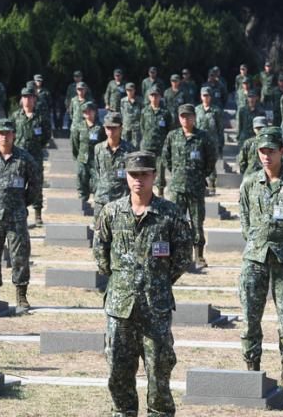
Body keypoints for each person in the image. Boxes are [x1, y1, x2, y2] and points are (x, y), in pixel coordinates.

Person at [93, 151, 192, 417]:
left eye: (144, 174)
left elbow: (183, 257)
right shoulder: (111, 212)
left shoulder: (169, 214)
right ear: (126, 176)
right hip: (120, 306)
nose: (138, 180)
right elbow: (100, 254)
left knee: (159, 371)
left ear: (154, 176)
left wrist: (157, 280)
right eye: (133, 175)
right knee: (118, 371)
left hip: (154, 307)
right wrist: (123, 280)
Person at [238, 126, 283, 390]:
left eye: (271, 150)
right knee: (249, 317)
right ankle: (252, 369)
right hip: (255, 259)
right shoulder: (250, 182)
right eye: (262, 151)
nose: (266, 156)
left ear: (282, 151)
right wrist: (257, 242)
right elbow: (244, 219)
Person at [0, 118, 40, 309]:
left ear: (14, 135)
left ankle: (21, 294)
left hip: (16, 216)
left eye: (8, 133)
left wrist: (23, 203)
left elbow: (35, 183)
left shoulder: (24, 158)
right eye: (1, 133)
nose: (5, 136)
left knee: (20, 256)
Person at [163, 104, 217, 269]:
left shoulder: (203, 137)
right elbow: (166, 157)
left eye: (188, 116)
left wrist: (201, 175)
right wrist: (177, 173)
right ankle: (175, 255)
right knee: (175, 222)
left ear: (194, 117)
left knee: (197, 222)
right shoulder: (173, 136)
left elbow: (211, 159)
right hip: (177, 188)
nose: (185, 119)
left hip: (196, 187)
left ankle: (199, 256)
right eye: (182, 116)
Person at [12, 87, 51, 226]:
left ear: (35, 99)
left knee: (36, 185)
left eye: (30, 97)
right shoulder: (16, 116)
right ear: (21, 99)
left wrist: (38, 146)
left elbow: (46, 136)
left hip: (35, 157)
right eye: (25, 97)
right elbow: (11, 134)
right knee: (17, 185)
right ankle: (20, 214)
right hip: (19, 158)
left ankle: (38, 214)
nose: (27, 100)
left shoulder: (40, 117)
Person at [93, 112, 136, 219]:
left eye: (114, 128)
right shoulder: (98, 148)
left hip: (122, 199)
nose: (111, 131)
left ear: (121, 128)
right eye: (108, 128)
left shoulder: (130, 150)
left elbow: (133, 174)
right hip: (102, 199)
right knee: (99, 232)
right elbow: (97, 171)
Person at [140, 86, 172, 197]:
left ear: (160, 97)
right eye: (152, 95)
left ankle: (160, 193)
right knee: (146, 170)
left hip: (160, 147)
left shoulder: (165, 113)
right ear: (149, 97)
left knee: (161, 172)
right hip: (147, 146)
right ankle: (145, 192)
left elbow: (169, 130)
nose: (154, 98)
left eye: (156, 95)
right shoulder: (144, 111)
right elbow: (142, 127)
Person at [71, 102, 106, 201]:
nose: (87, 113)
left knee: (97, 182)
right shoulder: (79, 126)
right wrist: (78, 155)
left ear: (94, 112)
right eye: (85, 112)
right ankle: (83, 202)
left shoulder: (100, 127)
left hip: (96, 160)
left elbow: (104, 142)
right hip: (82, 159)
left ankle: (97, 203)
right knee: (82, 181)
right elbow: (74, 142)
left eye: (89, 111)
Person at [196, 86, 224, 193]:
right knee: (199, 162)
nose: (206, 97)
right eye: (204, 95)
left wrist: (221, 143)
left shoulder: (216, 110)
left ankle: (212, 185)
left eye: (207, 95)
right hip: (199, 141)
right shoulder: (197, 110)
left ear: (210, 97)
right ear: (201, 97)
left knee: (211, 163)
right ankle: (201, 185)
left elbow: (220, 128)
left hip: (213, 141)